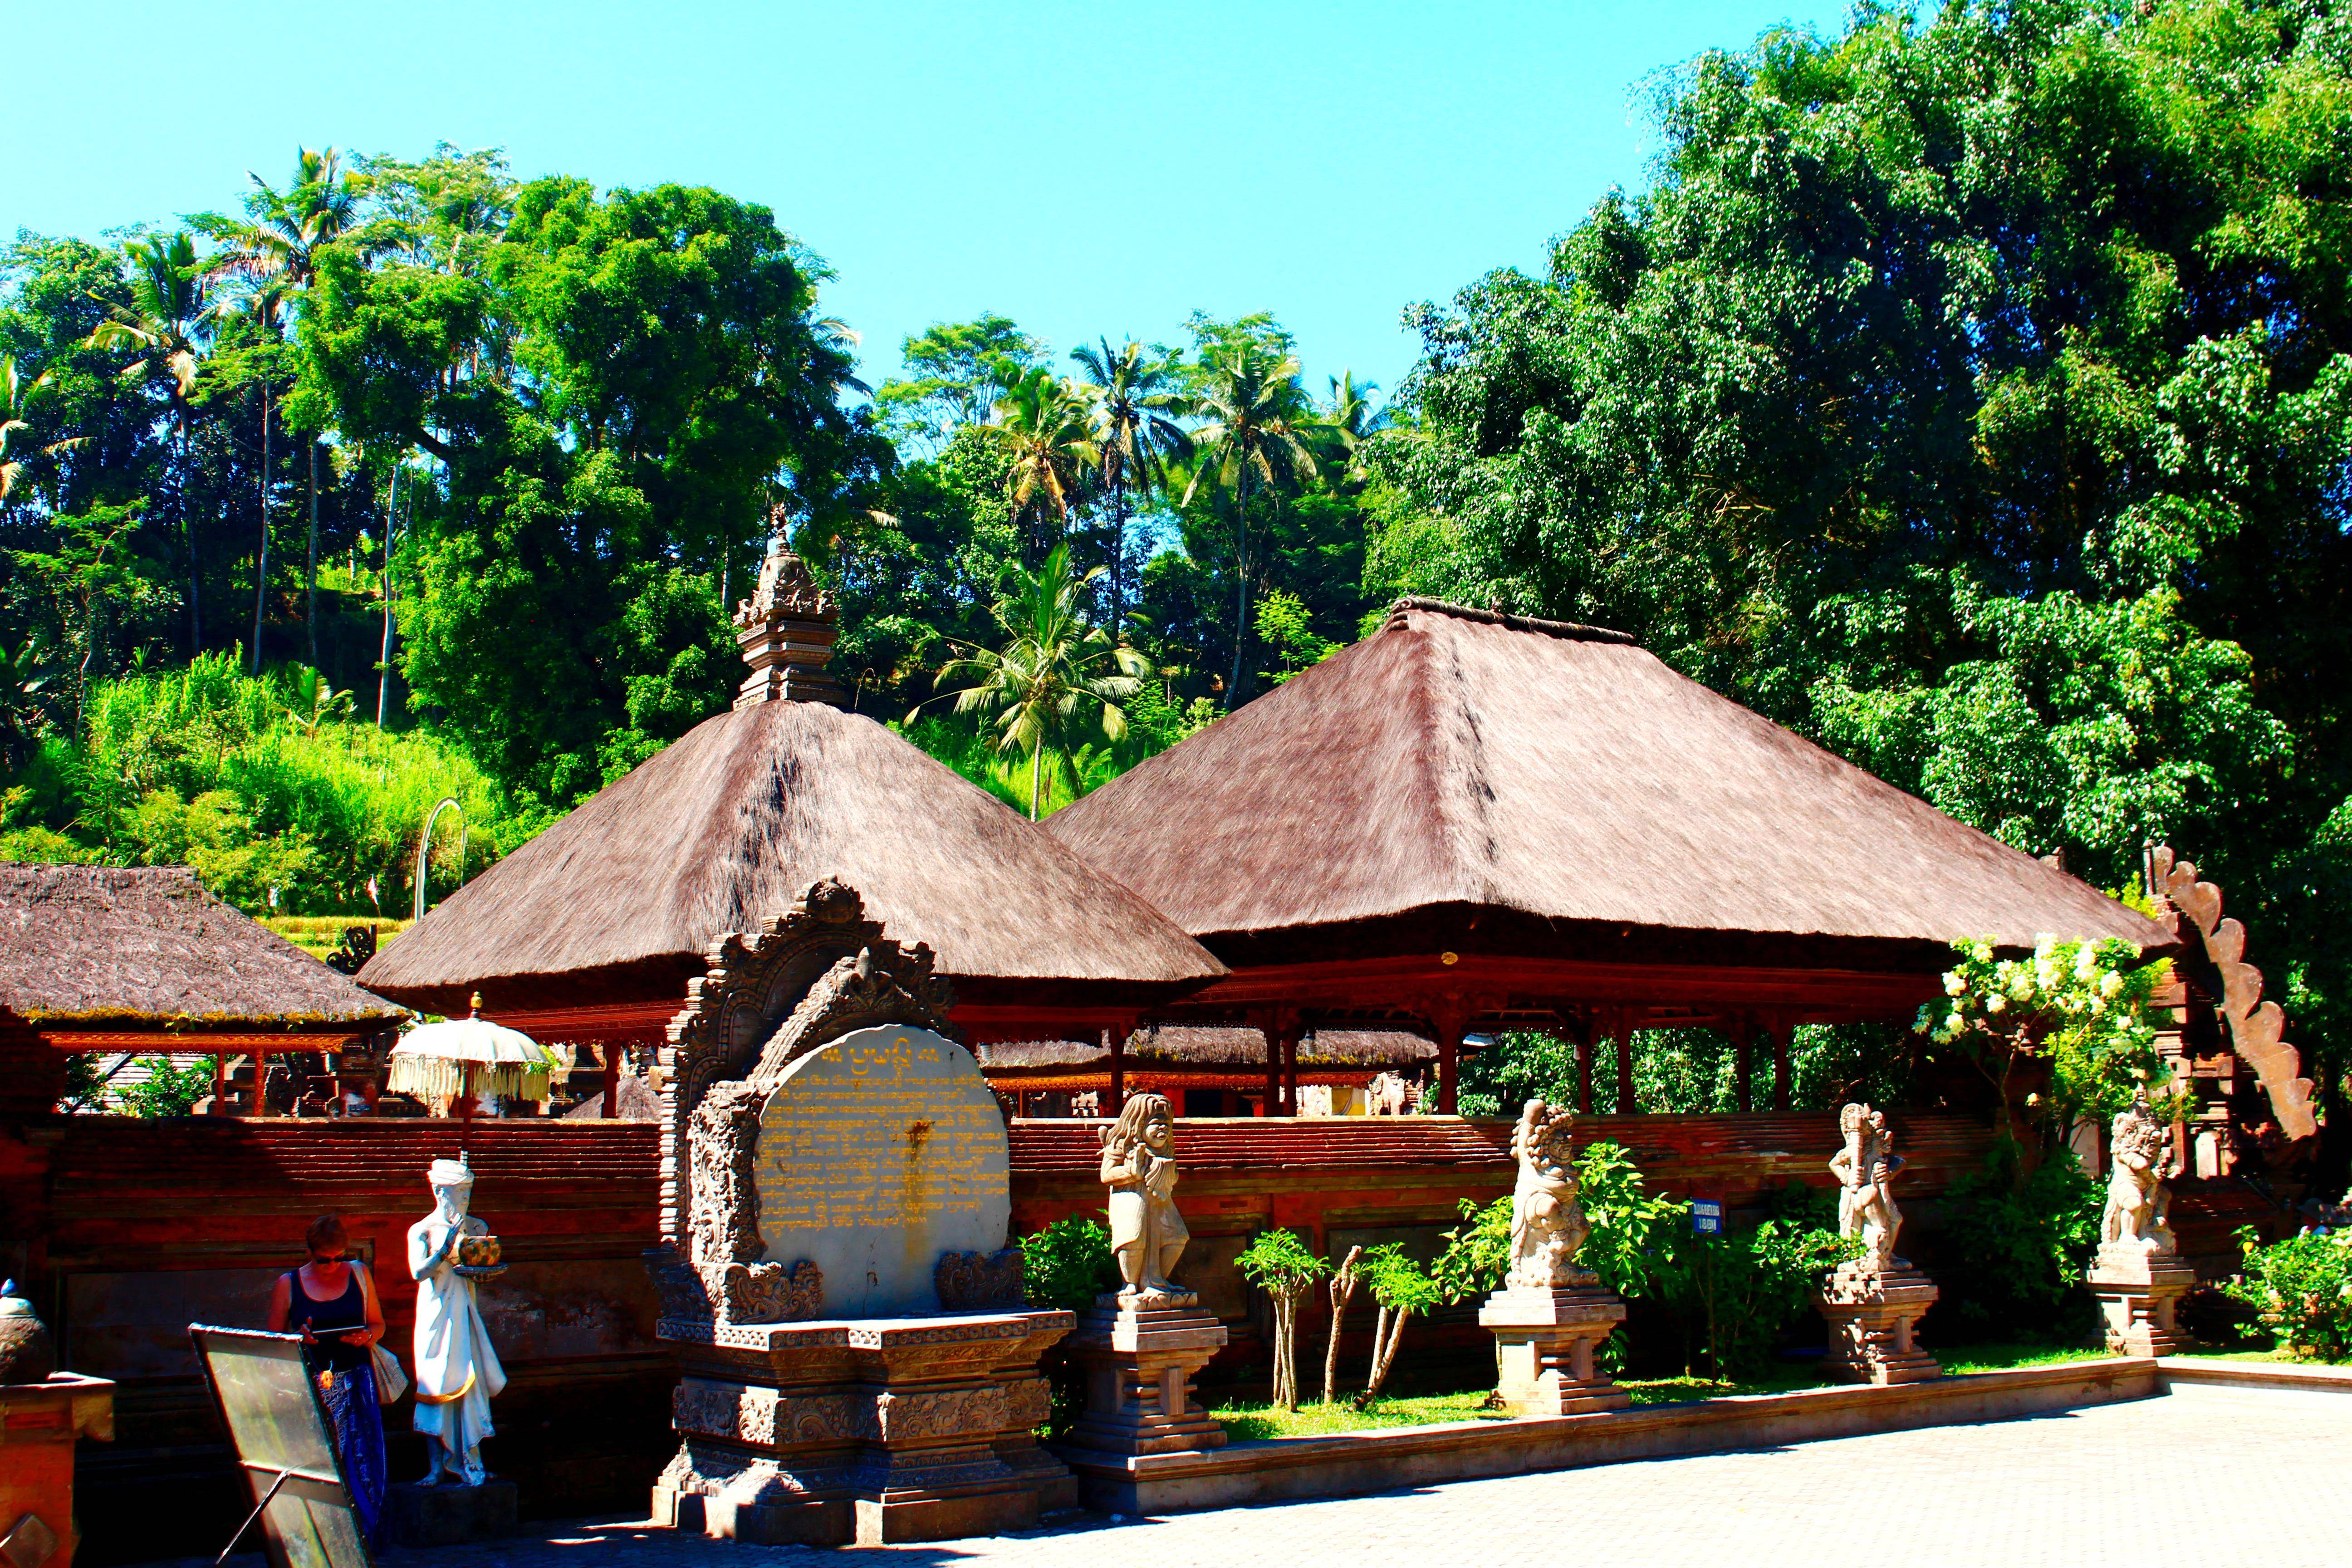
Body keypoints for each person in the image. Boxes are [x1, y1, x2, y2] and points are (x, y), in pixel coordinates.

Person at [267, 1214, 387, 1541]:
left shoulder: (359, 1274)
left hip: (358, 1381)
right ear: (310, 1253)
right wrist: (299, 1337)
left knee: (363, 1461)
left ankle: (364, 1536)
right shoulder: (288, 1284)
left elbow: (378, 1324)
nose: (333, 1265)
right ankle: (324, 1535)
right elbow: (272, 1341)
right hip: (315, 1384)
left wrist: (366, 1337)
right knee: (321, 1462)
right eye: (324, 1260)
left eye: (340, 1258)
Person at [408, 1156, 507, 1485]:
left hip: (465, 1314)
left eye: (467, 1194)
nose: (464, 1201)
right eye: (458, 1194)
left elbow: (481, 1271)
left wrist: (485, 1269)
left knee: (470, 1386)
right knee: (435, 1388)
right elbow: (418, 1272)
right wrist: (445, 1248)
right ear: (439, 1192)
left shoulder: (477, 1228)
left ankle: (471, 1461)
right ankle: (435, 1468)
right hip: (436, 1317)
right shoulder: (422, 1230)